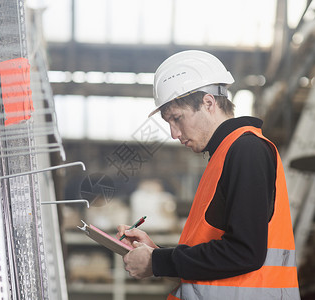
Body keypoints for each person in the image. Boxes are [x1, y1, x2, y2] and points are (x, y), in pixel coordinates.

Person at [116, 50, 300, 299]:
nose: (173, 133)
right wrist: (155, 252)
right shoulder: (225, 155)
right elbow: (218, 254)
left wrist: (158, 261)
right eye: (168, 122)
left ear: (209, 103)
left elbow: (245, 252)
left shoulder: (246, 150)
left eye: (177, 118)